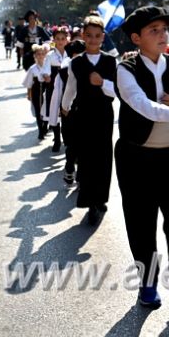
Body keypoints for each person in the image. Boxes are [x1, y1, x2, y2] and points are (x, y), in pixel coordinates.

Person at [115, 6, 169, 323]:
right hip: (136, 157)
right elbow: (140, 104)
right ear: (137, 38)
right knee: (141, 222)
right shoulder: (125, 68)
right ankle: (148, 281)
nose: (162, 35)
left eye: (164, 29)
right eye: (154, 30)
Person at [61, 16, 117, 223]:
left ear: (103, 37)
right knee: (86, 156)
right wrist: (64, 106)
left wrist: (101, 82)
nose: (93, 40)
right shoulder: (75, 63)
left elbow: (115, 92)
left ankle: (100, 199)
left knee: (102, 157)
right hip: (82, 113)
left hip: (103, 113)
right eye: (89, 36)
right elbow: (70, 88)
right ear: (83, 36)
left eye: (97, 36)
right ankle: (89, 200)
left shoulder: (111, 61)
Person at [49, 40, 84, 185]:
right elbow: (57, 95)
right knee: (71, 143)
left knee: (82, 144)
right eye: (79, 54)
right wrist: (54, 118)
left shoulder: (90, 69)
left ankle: (79, 175)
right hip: (68, 113)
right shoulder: (63, 72)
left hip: (85, 113)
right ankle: (69, 168)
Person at [43, 26, 69, 152]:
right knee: (55, 112)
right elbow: (45, 70)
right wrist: (46, 75)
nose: (60, 41)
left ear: (67, 40)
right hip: (54, 87)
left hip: (68, 87)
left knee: (68, 112)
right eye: (58, 38)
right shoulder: (50, 55)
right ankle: (57, 139)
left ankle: (67, 139)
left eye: (63, 38)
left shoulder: (70, 53)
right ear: (54, 40)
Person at [22, 44, 50, 140]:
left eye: (42, 54)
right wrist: (29, 94)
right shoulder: (32, 68)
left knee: (47, 110)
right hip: (36, 92)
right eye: (38, 54)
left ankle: (45, 126)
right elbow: (29, 83)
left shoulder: (48, 66)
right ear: (35, 55)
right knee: (38, 112)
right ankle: (40, 131)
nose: (40, 56)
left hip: (47, 91)